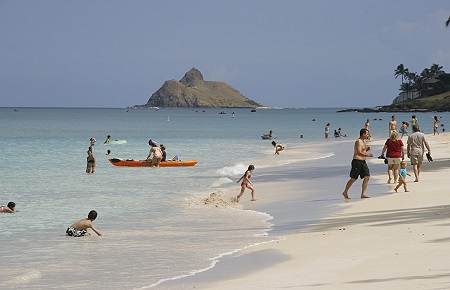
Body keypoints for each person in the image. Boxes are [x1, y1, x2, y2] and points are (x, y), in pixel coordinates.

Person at [342, 128, 373, 200]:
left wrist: (367, 149)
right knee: (354, 178)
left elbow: (362, 151)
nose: (368, 135)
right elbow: (358, 152)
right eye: (367, 134)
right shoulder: (358, 141)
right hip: (357, 162)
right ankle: (345, 192)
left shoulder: (363, 141)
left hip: (363, 162)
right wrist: (368, 155)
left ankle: (363, 193)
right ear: (363, 134)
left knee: (367, 176)